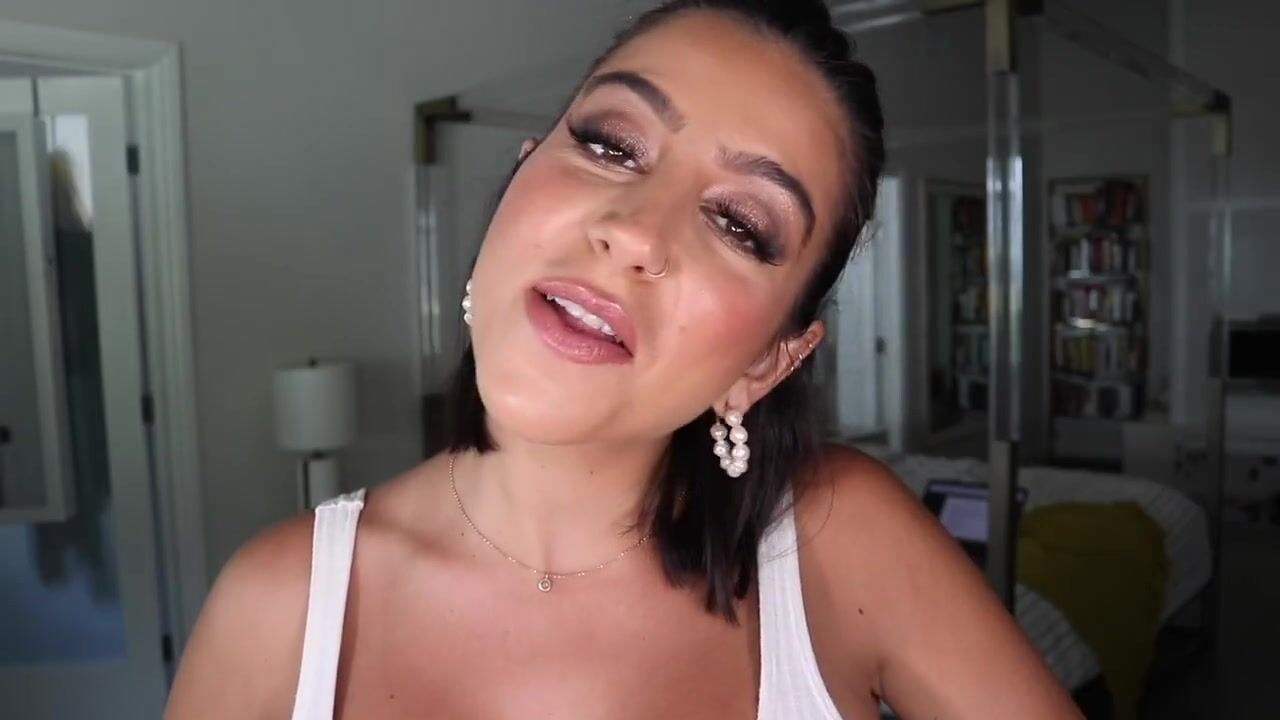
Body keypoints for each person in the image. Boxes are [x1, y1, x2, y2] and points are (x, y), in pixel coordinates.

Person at [165, 1, 1081, 717]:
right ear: (517, 180)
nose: (635, 231)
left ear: (769, 362)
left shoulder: (841, 545)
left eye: (740, 223)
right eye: (609, 145)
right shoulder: (278, 605)